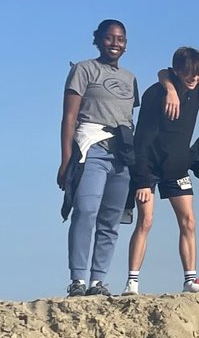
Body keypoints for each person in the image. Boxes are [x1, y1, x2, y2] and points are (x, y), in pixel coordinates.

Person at [59, 19, 139, 297]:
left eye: (120, 39)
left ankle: (98, 280)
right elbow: (69, 117)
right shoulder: (83, 70)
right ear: (98, 40)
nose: (115, 44)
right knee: (85, 210)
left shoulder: (130, 79)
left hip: (122, 153)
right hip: (91, 147)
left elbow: (129, 118)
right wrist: (65, 159)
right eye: (109, 38)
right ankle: (78, 279)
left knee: (111, 219)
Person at [123, 47, 199, 294]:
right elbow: (142, 139)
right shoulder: (155, 94)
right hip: (149, 167)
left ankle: (190, 279)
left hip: (177, 167)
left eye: (197, 74)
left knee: (189, 222)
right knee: (146, 221)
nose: (193, 79)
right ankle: (132, 282)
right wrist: (141, 180)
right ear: (176, 72)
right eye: (188, 75)